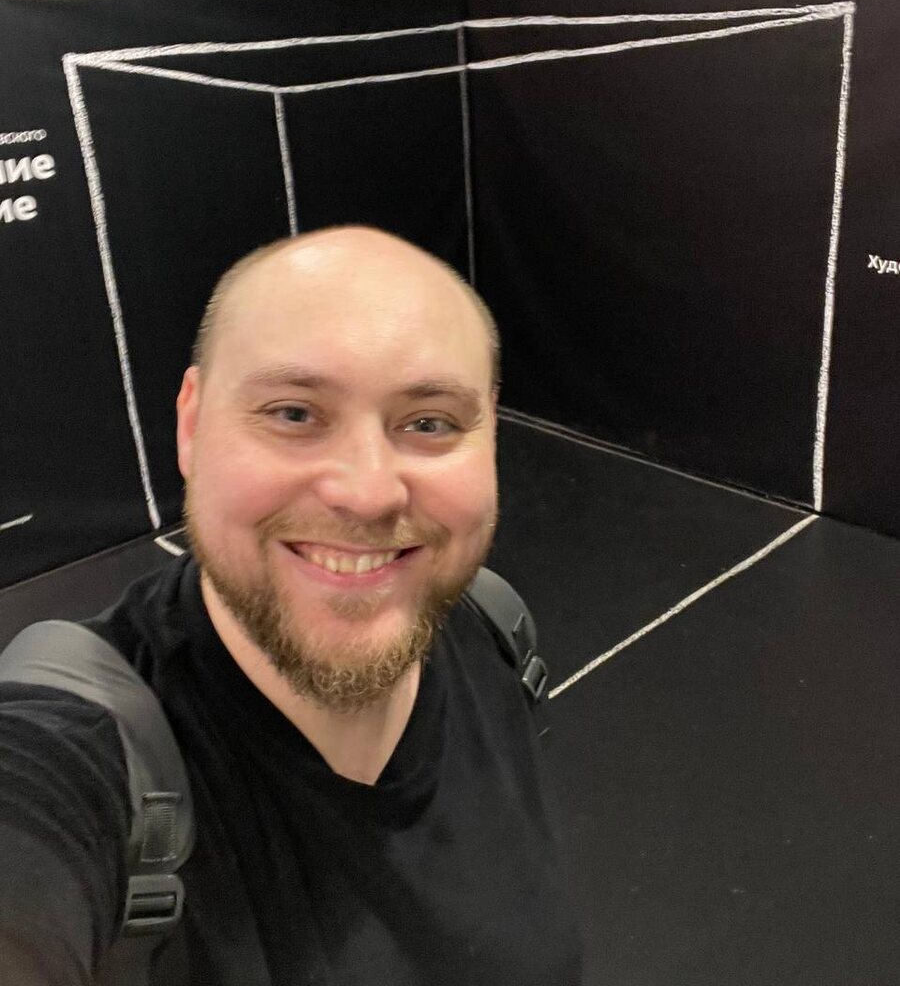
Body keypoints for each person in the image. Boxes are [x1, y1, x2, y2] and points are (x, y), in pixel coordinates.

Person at [0, 226, 583, 985]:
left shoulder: (493, 628)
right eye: (294, 414)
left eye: (429, 423)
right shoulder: (76, 761)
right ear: (191, 425)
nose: (368, 492)